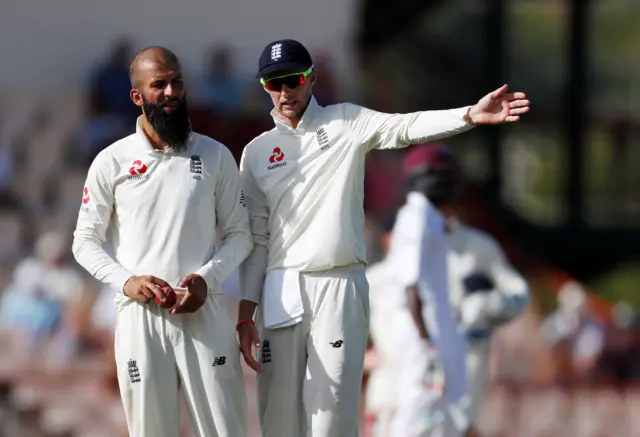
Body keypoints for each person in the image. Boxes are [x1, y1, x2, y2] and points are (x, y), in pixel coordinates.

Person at [236, 38, 530, 437]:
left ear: (311, 78)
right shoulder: (256, 153)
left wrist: (469, 116)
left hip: (339, 281)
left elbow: (403, 127)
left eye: (293, 79)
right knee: (279, 417)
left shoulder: (345, 121)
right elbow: (257, 235)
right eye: (274, 83)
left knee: (332, 415)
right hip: (281, 287)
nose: (285, 92)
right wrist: (245, 313)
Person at [72, 46, 253, 437]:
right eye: (159, 85)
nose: (171, 92)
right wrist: (127, 281)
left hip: (203, 310)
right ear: (137, 96)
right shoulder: (112, 161)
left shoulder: (215, 155)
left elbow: (241, 233)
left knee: (227, 429)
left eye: (177, 82)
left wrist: (208, 278)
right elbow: (84, 241)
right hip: (140, 316)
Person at [404, 143, 529, 429]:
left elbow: (518, 293)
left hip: (469, 354)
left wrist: (488, 307)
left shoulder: (478, 246)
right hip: (420, 356)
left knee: (459, 425)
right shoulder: (409, 242)